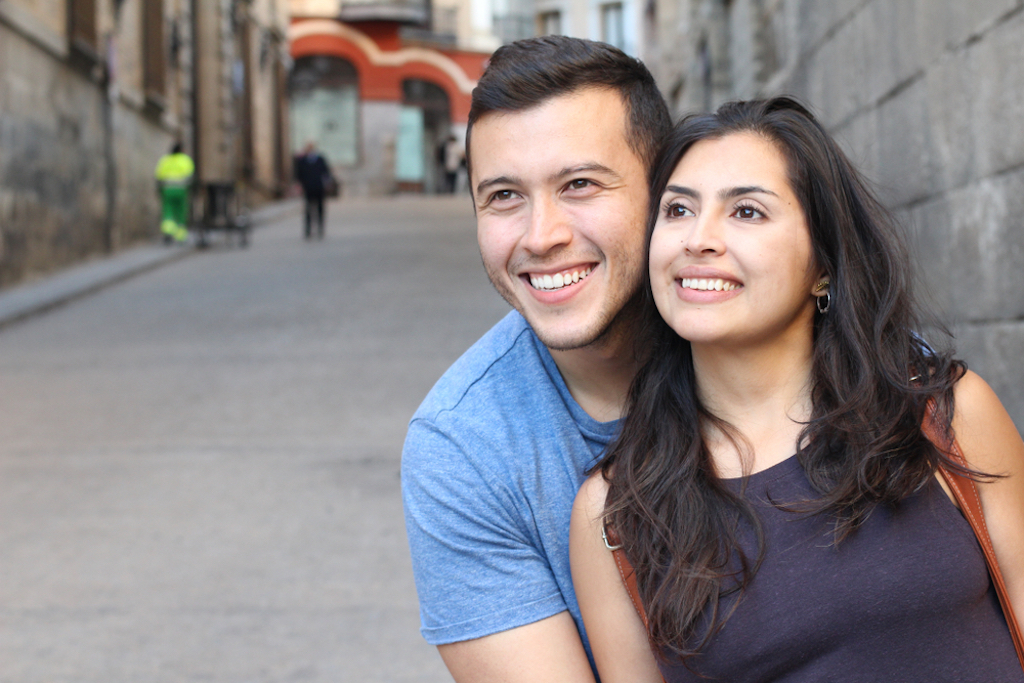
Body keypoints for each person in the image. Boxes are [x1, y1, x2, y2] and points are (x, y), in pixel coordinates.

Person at [570, 97, 1024, 682]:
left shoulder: (943, 416)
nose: (698, 239)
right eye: (678, 209)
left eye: (747, 212)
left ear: (823, 266)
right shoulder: (615, 514)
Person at [401, 36, 670, 682]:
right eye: (503, 196)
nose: (541, 236)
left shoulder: (784, 348)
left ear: (664, 188)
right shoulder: (463, 448)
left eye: (580, 184)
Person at [293, 142, 335, 239]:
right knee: (308, 209)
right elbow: (298, 174)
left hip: (319, 187)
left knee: (320, 208)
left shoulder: (320, 159)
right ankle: (308, 229)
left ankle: (320, 228)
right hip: (308, 188)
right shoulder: (302, 161)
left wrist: (328, 184)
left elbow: (326, 172)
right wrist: (299, 185)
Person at [154, 142, 194, 243]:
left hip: (167, 190)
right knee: (181, 212)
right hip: (181, 190)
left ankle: (168, 232)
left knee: (168, 211)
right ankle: (180, 236)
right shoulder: (185, 160)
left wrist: (159, 189)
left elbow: (158, 176)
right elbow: (190, 176)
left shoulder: (165, 160)